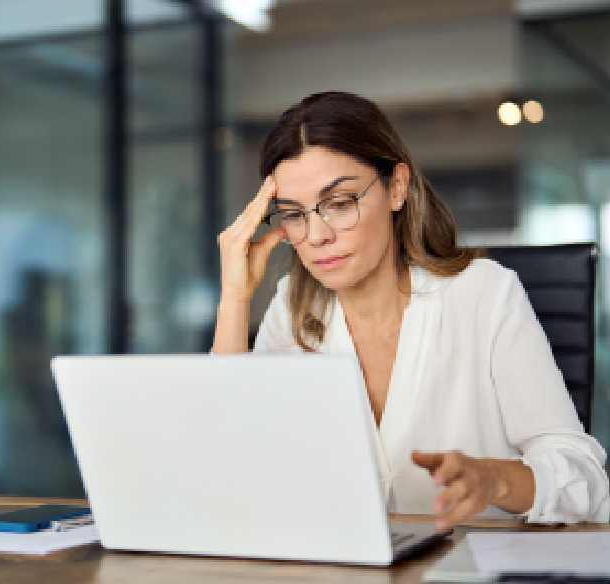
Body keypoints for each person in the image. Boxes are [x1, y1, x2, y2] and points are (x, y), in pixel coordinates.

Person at [212, 91, 609, 529]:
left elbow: (584, 476)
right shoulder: (292, 307)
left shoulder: (483, 293)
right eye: (293, 214)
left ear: (396, 187)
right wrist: (235, 298)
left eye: (340, 204)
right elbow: (231, 471)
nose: (317, 235)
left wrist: (494, 479)